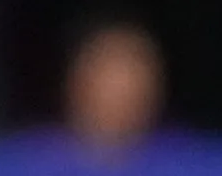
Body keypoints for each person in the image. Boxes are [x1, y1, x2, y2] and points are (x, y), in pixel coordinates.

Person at [63, 18, 167, 156]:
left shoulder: (191, 162)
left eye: (129, 96)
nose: (118, 103)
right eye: (109, 90)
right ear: (78, 86)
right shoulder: (31, 163)